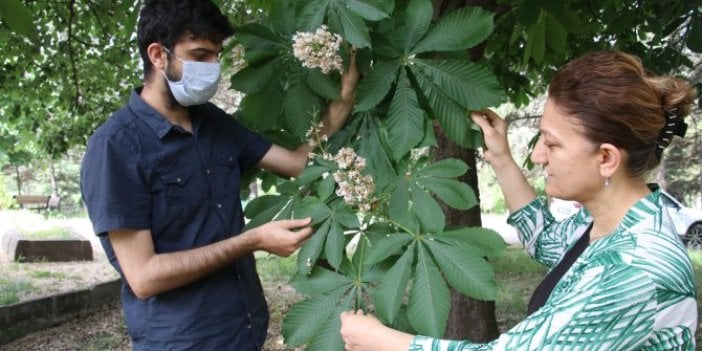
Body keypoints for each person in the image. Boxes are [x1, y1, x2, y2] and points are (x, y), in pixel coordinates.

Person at [339, 50, 698, 350]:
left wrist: (377, 339)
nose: (539, 156)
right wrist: (500, 157)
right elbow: (546, 240)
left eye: (552, 144)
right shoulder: (611, 222)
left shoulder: (636, 266)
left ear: (606, 158)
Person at [80, 0, 358, 350]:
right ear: (157, 55)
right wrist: (252, 240)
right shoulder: (115, 147)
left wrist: (342, 104)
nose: (213, 67)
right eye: (199, 55)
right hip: (180, 342)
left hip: (244, 331)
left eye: (216, 55)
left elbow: (298, 163)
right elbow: (144, 276)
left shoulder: (213, 122)